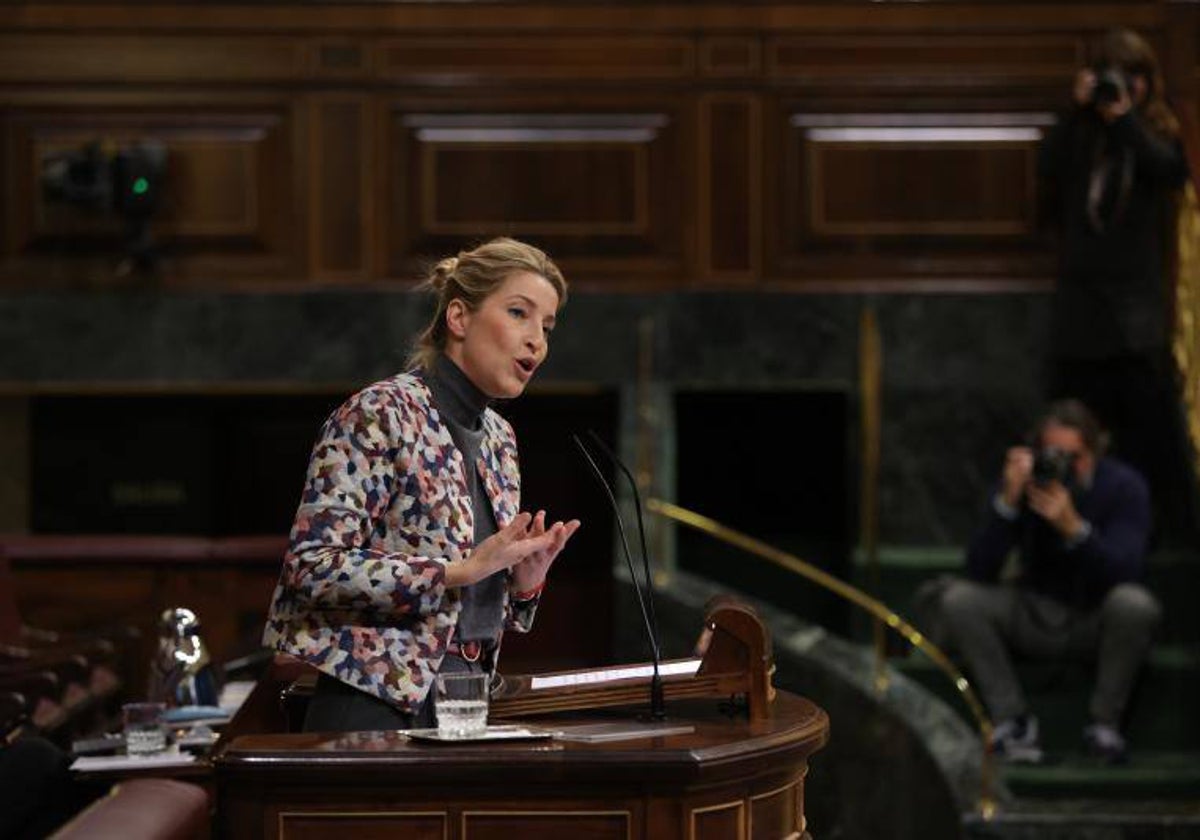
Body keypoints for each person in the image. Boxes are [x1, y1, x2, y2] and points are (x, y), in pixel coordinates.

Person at [262, 237, 581, 732]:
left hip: (465, 697)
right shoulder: (380, 413)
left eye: (547, 325)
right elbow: (312, 568)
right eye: (519, 313)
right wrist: (460, 571)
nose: (537, 339)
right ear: (458, 318)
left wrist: (522, 584)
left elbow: (476, 604)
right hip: (372, 704)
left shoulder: (500, 437)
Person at [926, 400, 1161, 764]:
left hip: (1092, 616)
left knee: (1135, 605)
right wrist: (1007, 502)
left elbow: (1126, 571)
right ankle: (1013, 721)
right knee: (960, 600)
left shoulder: (1124, 487)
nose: (1064, 466)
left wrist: (1076, 531)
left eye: (1075, 456)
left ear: (1095, 451)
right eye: (1053, 454)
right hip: (1029, 610)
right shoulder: (1024, 483)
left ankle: (1104, 726)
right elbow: (978, 569)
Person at [1038, 27, 1199, 547]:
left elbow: (1170, 171)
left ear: (1148, 81)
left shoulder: (1154, 133)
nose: (1122, 86)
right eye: (1112, 75)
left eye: (1133, 76)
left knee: (1148, 432)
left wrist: (1124, 119)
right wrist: (1076, 111)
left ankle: (1162, 535)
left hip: (1133, 314)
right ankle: (1058, 524)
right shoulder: (1080, 137)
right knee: (1071, 421)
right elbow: (1047, 176)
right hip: (1081, 307)